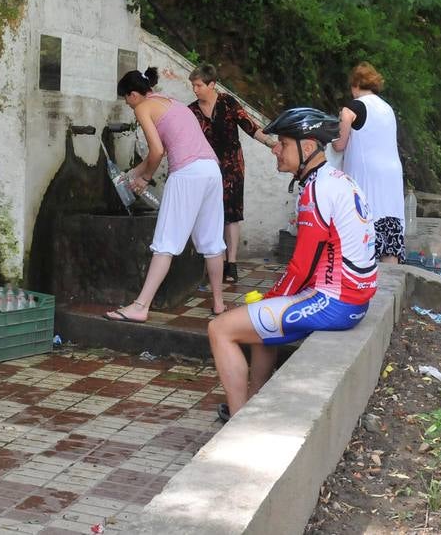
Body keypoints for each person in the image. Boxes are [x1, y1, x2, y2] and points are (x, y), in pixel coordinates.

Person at [208, 107, 377, 421]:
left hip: (336, 302)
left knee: (220, 329)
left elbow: (301, 265)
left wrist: (271, 298)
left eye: (284, 144)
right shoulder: (337, 180)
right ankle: (253, 404)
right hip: (353, 298)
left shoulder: (317, 190)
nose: (275, 149)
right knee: (261, 315)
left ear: (308, 147)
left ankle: (239, 420)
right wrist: (270, 299)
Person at [104, 67, 226, 323]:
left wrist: (145, 178)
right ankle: (218, 303)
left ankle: (140, 306)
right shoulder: (171, 102)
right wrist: (133, 174)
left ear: (134, 94)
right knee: (212, 241)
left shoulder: (143, 107)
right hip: (211, 170)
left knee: (165, 242)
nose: (128, 105)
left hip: (187, 174)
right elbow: (162, 151)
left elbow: (157, 151)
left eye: (126, 99)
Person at [188, 64, 276, 284]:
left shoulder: (228, 102)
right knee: (209, 214)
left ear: (212, 84)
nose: (195, 90)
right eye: (193, 85)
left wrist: (271, 143)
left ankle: (232, 263)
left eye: (198, 85)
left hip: (232, 167)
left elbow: (250, 126)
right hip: (206, 168)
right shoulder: (192, 111)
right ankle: (216, 261)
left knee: (231, 215)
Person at [332, 62, 405, 264]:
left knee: (364, 223)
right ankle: (391, 277)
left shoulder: (352, 107)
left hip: (367, 176)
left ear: (355, 84)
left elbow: (339, 144)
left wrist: (334, 138)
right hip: (391, 175)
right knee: (389, 226)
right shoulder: (387, 108)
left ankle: (361, 274)